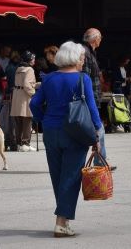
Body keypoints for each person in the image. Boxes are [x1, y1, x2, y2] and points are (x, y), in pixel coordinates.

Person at [30, 41, 102, 238]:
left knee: (58, 175)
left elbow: (34, 103)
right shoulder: (82, 78)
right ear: (75, 59)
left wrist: (41, 119)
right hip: (75, 131)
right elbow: (92, 107)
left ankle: (64, 219)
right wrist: (97, 130)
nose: (83, 60)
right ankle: (61, 222)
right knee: (71, 177)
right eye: (82, 58)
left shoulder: (49, 78)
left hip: (51, 131)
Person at [82, 28, 114, 169]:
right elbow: (85, 78)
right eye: (100, 37)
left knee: (97, 129)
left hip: (92, 98)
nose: (101, 40)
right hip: (89, 99)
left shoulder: (91, 52)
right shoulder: (86, 53)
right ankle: (100, 163)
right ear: (94, 39)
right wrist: (88, 99)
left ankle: (100, 161)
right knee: (98, 129)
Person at [11, 50, 38, 152]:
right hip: (25, 96)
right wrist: (34, 93)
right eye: (33, 58)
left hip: (17, 95)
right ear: (30, 60)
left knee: (18, 122)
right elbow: (27, 85)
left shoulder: (19, 68)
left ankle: (18, 143)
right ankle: (26, 143)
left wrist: (36, 84)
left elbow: (24, 83)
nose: (34, 60)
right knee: (27, 120)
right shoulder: (30, 70)